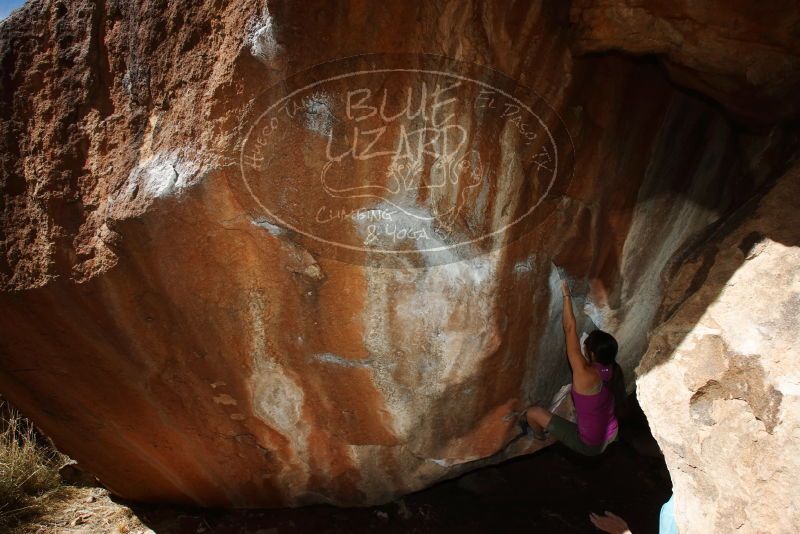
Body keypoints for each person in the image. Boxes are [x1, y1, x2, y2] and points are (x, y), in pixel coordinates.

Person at [519, 279, 623, 456]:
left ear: (591, 353)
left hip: (591, 445)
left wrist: (566, 295)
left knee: (533, 413)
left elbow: (569, 329)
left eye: (586, 346)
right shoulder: (612, 368)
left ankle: (538, 437)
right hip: (612, 432)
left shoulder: (584, 373)